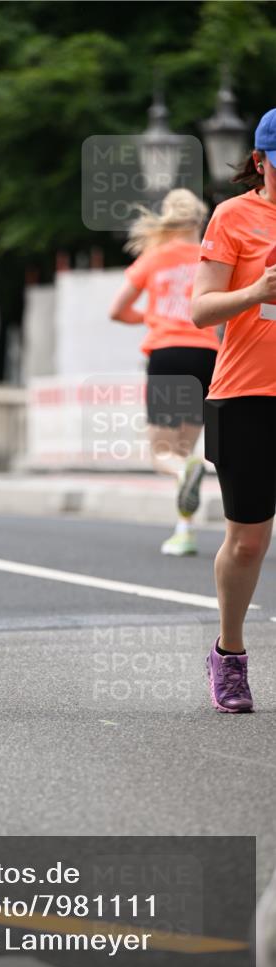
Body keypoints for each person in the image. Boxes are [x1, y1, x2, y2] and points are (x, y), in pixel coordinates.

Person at [191, 107, 276, 714]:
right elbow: (200, 311)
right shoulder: (233, 217)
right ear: (261, 161)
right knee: (248, 542)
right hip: (246, 394)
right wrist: (257, 293)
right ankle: (230, 653)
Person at [109, 189, 219, 555]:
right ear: (200, 220)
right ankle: (183, 531)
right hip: (206, 356)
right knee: (186, 450)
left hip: (167, 355)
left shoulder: (155, 258)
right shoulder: (210, 255)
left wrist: (153, 317)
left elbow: (117, 310)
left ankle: (182, 479)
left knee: (163, 454)